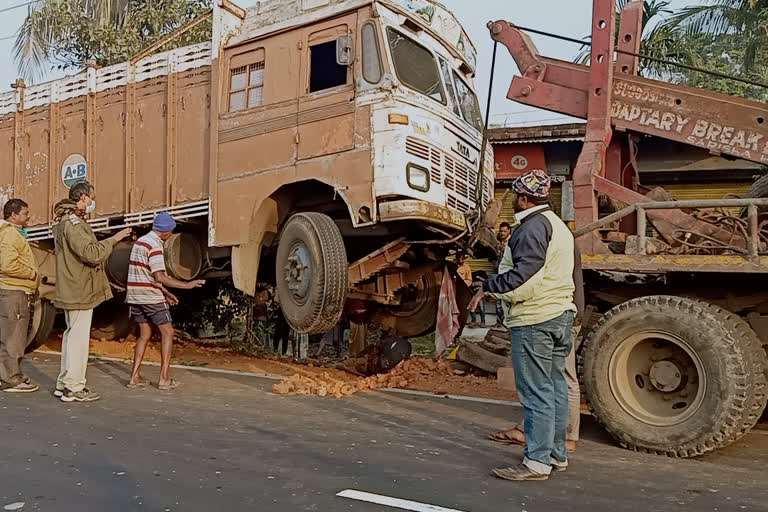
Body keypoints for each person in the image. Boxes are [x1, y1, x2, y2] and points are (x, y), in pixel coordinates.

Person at [469, 169, 576, 481]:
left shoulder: (530, 229)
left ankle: (536, 463)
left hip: (535, 320)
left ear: (525, 198)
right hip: (558, 317)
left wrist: (488, 285)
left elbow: (525, 280)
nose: (513, 201)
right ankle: (556, 455)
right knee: (555, 389)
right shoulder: (557, 226)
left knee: (536, 394)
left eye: (516, 195)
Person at [487, 247, 585, 453]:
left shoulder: (547, 236)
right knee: (552, 378)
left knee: (554, 379)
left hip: (554, 313)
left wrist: (492, 286)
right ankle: (545, 437)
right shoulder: (562, 237)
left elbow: (527, 279)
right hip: (566, 311)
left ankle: (558, 442)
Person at [53, 181, 132, 402]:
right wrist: (116, 238)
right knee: (77, 339)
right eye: (91, 198)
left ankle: (64, 383)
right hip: (80, 288)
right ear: (83, 197)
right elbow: (91, 253)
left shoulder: (64, 220)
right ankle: (74, 387)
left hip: (74, 287)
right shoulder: (74, 223)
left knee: (71, 337)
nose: (92, 203)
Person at [126, 212, 204, 390]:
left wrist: (165, 293)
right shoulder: (155, 246)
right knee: (168, 332)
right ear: (167, 232)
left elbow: (146, 275)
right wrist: (187, 285)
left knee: (144, 335)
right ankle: (164, 379)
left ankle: (134, 377)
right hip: (150, 296)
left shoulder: (140, 242)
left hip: (135, 295)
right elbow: (159, 276)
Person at [0, 199, 40, 393]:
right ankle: (11, 379)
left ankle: (9, 375)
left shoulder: (13, 234)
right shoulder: (10, 235)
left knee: (11, 336)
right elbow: (8, 265)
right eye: (25, 213)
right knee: (13, 338)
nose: (28, 216)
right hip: (14, 291)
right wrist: (31, 273)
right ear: (13, 215)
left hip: (14, 291)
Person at [494, 222, 513, 325]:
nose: (502, 233)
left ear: (509, 231)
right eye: (501, 231)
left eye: (504, 231)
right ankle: (499, 321)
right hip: (497, 272)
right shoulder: (498, 241)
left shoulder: (511, 242)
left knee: (505, 297)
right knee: (498, 297)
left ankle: (506, 321)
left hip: (506, 274)